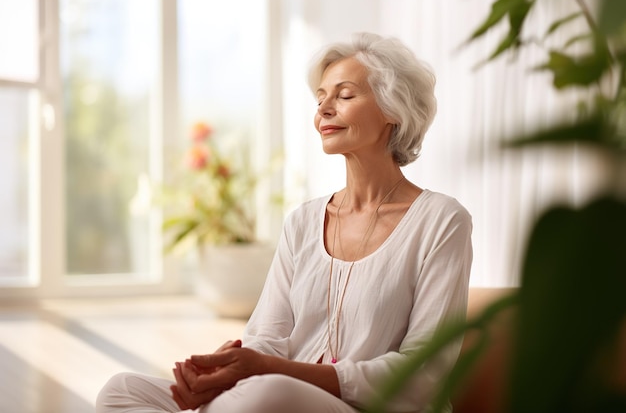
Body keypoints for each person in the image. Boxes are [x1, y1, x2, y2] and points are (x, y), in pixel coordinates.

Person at [96, 32, 473, 413]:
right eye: (321, 98)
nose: (324, 109)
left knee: (269, 394)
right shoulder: (304, 222)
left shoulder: (441, 221)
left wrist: (271, 372)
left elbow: (424, 373)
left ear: (394, 109)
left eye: (344, 96)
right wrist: (228, 371)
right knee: (122, 389)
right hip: (277, 399)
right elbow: (266, 338)